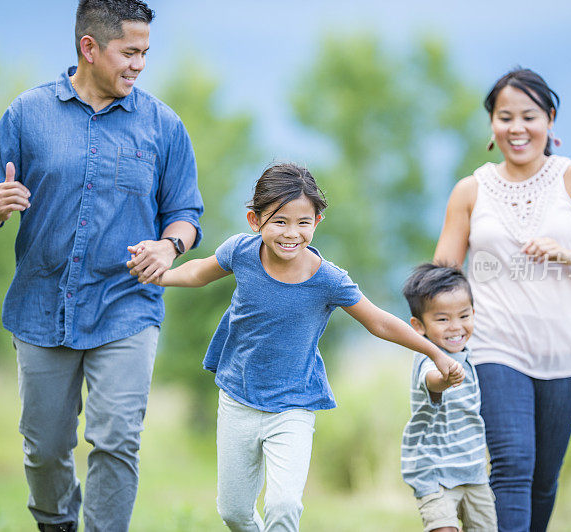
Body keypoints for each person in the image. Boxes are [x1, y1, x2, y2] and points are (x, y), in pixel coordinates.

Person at [0, 1, 204, 530]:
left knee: (117, 439)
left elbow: (185, 212)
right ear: (89, 48)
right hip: (41, 305)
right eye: (130, 52)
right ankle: (55, 522)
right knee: (45, 448)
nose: (140, 64)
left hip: (126, 306)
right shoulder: (28, 114)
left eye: (145, 52)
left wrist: (170, 246)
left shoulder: (163, 124)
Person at [141, 162, 463, 531]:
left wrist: (434, 351)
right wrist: (159, 276)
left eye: (302, 222)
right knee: (233, 511)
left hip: (293, 404)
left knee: (284, 504)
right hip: (237, 398)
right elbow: (198, 272)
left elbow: (378, 321)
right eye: (279, 222)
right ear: (254, 220)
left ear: (317, 222)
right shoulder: (241, 253)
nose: (291, 233)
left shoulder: (328, 279)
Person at [433, 68, 571, 531]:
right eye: (505, 117)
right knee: (512, 465)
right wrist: (440, 333)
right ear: (492, 124)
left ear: (550, 119)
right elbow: (444, 271)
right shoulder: (471, 190)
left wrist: (569, 253)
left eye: (528, 116)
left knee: (543, 479)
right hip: (494, 345)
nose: (517, 128)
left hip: (565, 348)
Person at [400, 263, 496, 532]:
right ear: (419, 326)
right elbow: (433, 381)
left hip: (473, 472)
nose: (456, 327)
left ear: (474, 313)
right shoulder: (428, 358)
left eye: (464, 316)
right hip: (433, 472)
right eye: (442, 320)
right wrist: (446, 378)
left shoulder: (467, 356)